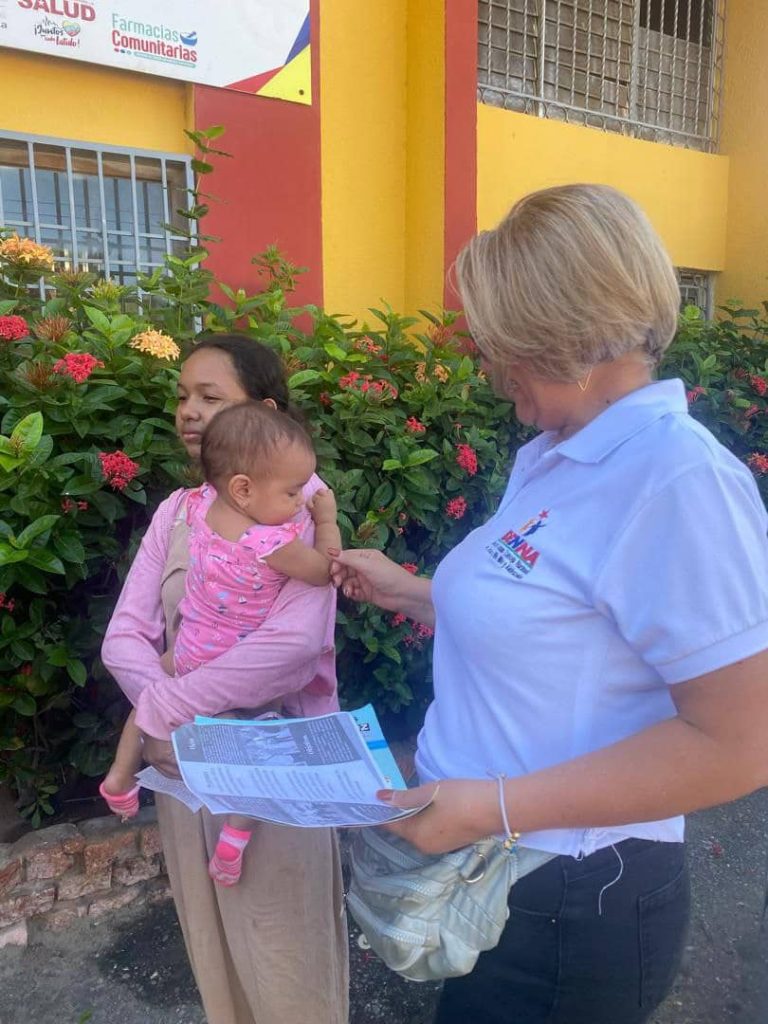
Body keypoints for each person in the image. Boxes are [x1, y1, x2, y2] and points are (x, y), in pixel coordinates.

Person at [330, 185, 768, 1024]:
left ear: (564, 336)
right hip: (497, 873)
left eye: (500, 346)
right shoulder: (558, 453)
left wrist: (491, 806)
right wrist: (410, 592)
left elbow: (741, 744)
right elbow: (557, 634)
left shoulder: (678, 480)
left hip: (573, 897)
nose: (490, 369)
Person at [101, 334, 348, 1024]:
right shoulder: (177, 512)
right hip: (181, 775)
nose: (188, 410)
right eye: (183, 395)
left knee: (289, 975)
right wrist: (173, 728)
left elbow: (291, 650)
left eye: (210, 397)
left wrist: (169, 715)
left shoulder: (296, 517)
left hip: (272, 771)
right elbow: (125, 636)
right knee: (216, 967)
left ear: (264, 414)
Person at [100, 400, 340, 888]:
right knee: (256, 744)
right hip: (232, 663)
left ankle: (120, 778)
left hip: (189, 649)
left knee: (151, 698)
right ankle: (234, 839)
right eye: (292, 491)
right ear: (244, 488)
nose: (301, 500)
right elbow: (323, 570)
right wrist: (328, 520)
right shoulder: (269, 541)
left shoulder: (202, 513)